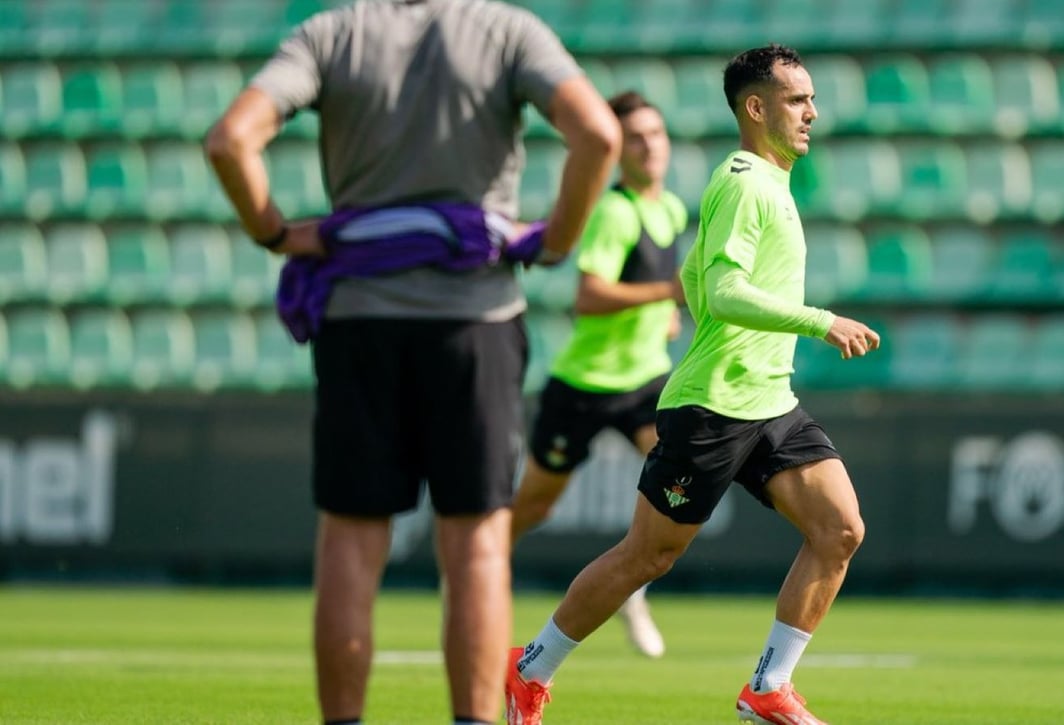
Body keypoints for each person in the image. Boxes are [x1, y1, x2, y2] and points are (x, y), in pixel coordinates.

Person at [203, 1, 621, 723]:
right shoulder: (506, 30)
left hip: (359, 321)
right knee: (478, 543)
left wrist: (275, 233)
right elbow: (598, 133)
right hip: (476, 323)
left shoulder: (331, 32)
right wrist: (554, 242)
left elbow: (230, 140)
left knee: (352, 536)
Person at [504, 44, 881, 725]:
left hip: (771, 401)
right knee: (648, 555)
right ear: (756, 107)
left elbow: (699, 280)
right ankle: (529, 668)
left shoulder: (766, 183)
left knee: (840, 529)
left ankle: (769, 687)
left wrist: (707, 307)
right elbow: (730, 289)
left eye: (812, 99)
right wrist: (821, 321)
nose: (812, 113)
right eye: (798, 100)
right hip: (712, 406)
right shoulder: (742, 180)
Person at [511, 90, 687, 659]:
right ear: (617, 150)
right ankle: (474, 566)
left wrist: (661, 315)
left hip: (646, 383)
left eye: (654, 133)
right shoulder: (614, 212)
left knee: (678, 479)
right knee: (534, 505)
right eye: (634, 136)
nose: (648, 145)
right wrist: (665, 295)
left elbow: (650, 285)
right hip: (585, 385)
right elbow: (589, 296)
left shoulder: (672, 209)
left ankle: (628, 586)